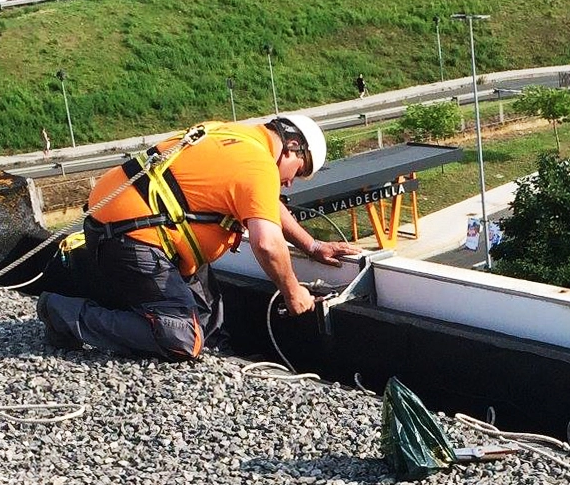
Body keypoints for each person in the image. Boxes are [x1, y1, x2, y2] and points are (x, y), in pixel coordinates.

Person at [36, 113, 358, 360]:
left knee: (210, 314)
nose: (290, 183)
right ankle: (63, 314)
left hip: (125, 225)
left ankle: (196, 343)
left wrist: (312, 245)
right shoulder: (258, 164)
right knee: (182, 337)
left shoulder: (235, 134)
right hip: (130, 237)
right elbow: (265, 243)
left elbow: (265, 202)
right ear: (291, 147)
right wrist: (292, 292)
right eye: (299, 172)